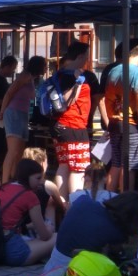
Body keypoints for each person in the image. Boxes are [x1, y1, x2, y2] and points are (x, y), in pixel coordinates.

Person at [41, 191, 138, 276]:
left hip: (51, 266)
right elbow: (117, 258)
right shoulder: (116, 234)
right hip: (74, 274)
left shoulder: (84, 201)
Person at [102, 39, 138, 192]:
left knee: (116, 164)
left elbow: (107, 97)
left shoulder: (113, 71)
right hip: (131, 125)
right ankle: (125, 198)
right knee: (128, 166)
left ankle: (107, 196)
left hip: (114, 122)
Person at [0, 159, 57, 266]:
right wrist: (49, 228)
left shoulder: (2, 188)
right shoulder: (29, 195)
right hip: (13, 252)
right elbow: (44, 236)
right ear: (27, 176)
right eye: (38, 178)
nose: (41, 182)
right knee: (57, 237)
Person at [49, 42, 93, 199]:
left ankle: (61, 202)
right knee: (78, 168)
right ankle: (76, 203)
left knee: (64, 165)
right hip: (73, 124)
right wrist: (78, 84)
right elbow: (67, 101)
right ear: (80, 56)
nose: (87, 60)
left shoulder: (60, 74)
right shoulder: (73, 76)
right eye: (86, 56)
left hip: (60, 125)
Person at [0, 55, 46, 184]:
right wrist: (2, 111)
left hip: (22, 114)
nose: (46, 68)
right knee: (13, 151)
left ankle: (15, 179)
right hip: (14, 113)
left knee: (19, 152)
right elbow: (9, 93)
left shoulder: (31, 78)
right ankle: (4, 182)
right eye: (44, 65)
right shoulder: (25, 76)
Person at [23, 145, 66, 222]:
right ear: (43, 164)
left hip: (19, 224)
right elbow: (61, 207)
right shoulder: (48, 185)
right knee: (53, 202)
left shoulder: (19, 182)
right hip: (39, 225)